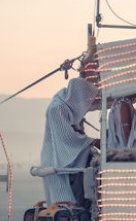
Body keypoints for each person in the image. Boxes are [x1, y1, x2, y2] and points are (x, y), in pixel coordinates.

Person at [39, 76, 100, 205]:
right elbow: (66, 138)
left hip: (61, 161)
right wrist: (94, 142)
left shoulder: (65, 107)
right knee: (64, 203)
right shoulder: (57, 109)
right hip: (55, 161)